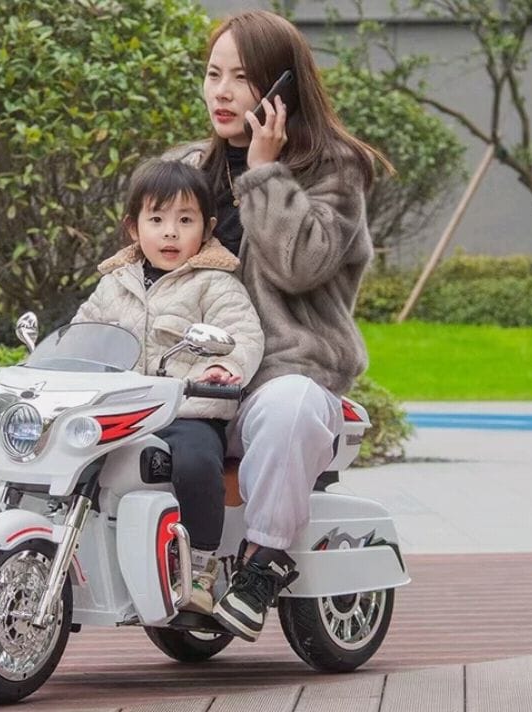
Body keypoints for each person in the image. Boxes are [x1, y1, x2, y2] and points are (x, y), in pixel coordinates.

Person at [165, 10, 393, 641]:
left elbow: (300, 266)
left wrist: (264, 171)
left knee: (288, 406)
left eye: (242, 78)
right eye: (213, 74)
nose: (221, 92)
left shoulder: (335, 169)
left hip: (282, 376)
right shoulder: (188, 165)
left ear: (281, 89)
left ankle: (264, 561)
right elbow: (145, 264)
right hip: (197, 377)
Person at [72, 158, 264, 615]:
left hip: (186, 412)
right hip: (122, 414)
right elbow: (83, 332)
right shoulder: (114, 285)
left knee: (197, 462)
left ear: (208, 228)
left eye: (185, 220)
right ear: (133, 228)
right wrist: (58, 365)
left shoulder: (214, 283)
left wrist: (223, 366)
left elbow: (243, 334)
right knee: (69, 459)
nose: (170, 233)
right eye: (156, 220)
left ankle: (200, 564)